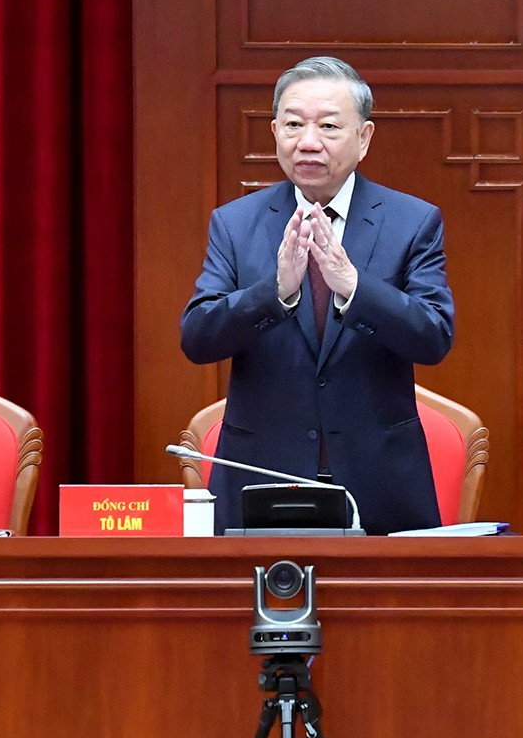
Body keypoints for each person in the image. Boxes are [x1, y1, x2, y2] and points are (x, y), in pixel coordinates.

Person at [181, 56, 455, 535]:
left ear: (364, 138)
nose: (308, 142)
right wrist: (275, 293)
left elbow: (434, 337)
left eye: (328, 126)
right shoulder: (235, 223)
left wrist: (353, 286)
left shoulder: (412, 222)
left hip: (379, 483)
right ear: (274, 132)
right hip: (261, 478)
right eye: (293, 125)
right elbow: (198, 339)